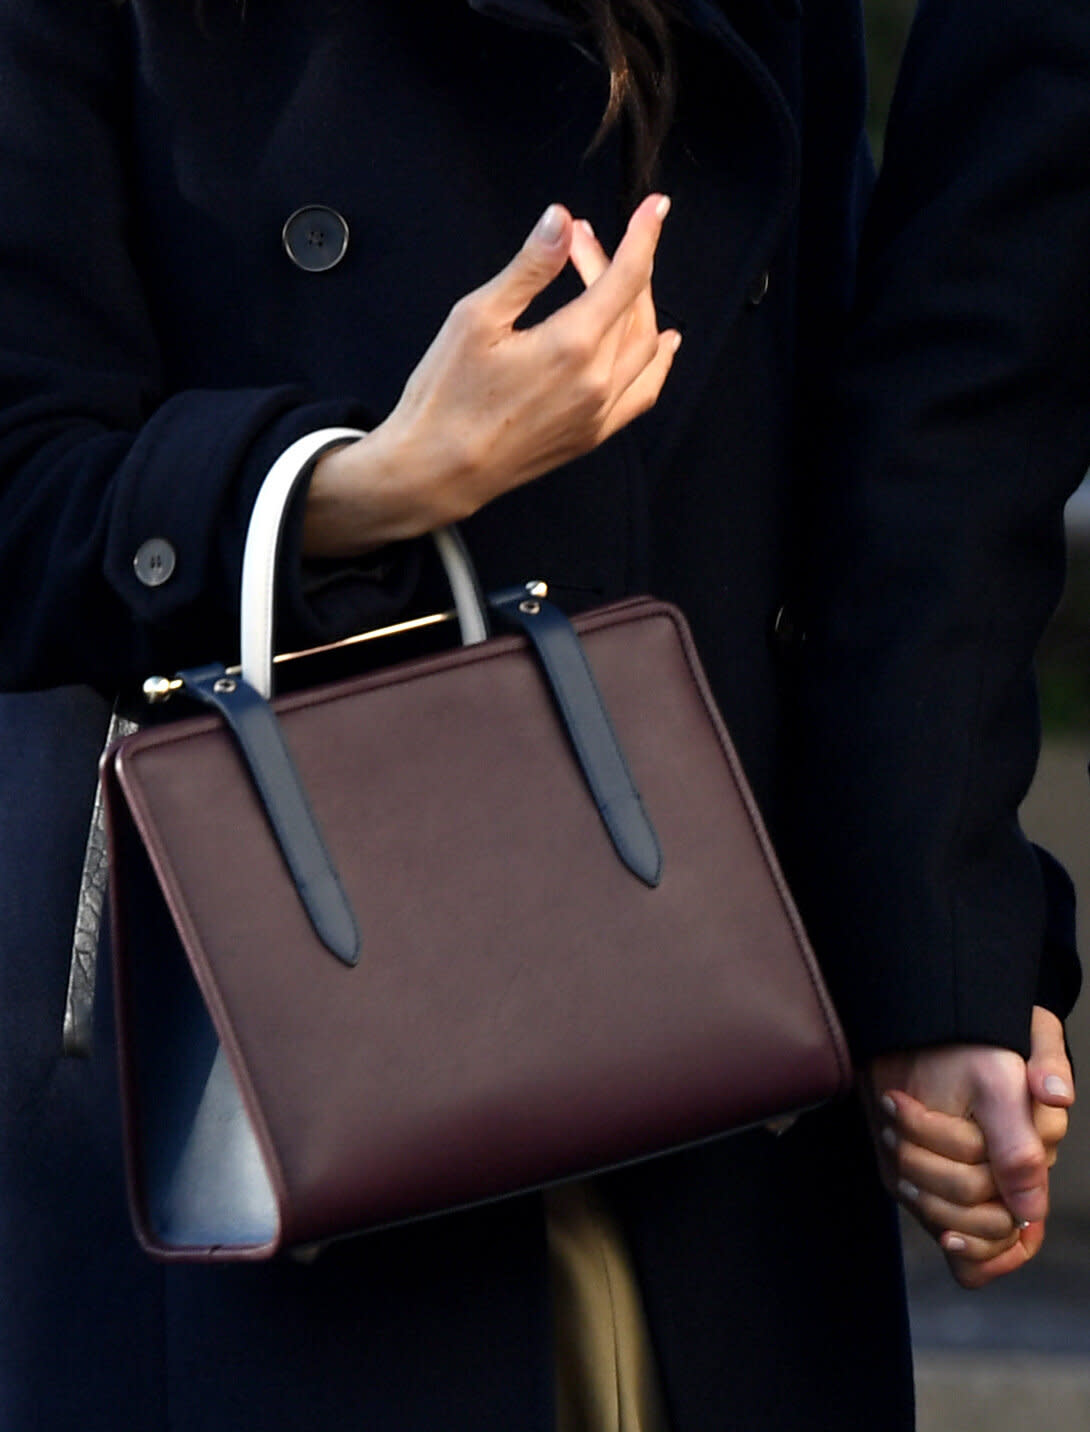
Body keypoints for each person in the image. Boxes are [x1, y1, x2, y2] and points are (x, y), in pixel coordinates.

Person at [0, 0, 1083, 1428]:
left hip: (705, 1023)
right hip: (267, 1063)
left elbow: (880, 463)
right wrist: (353, 487)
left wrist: (935, 940)